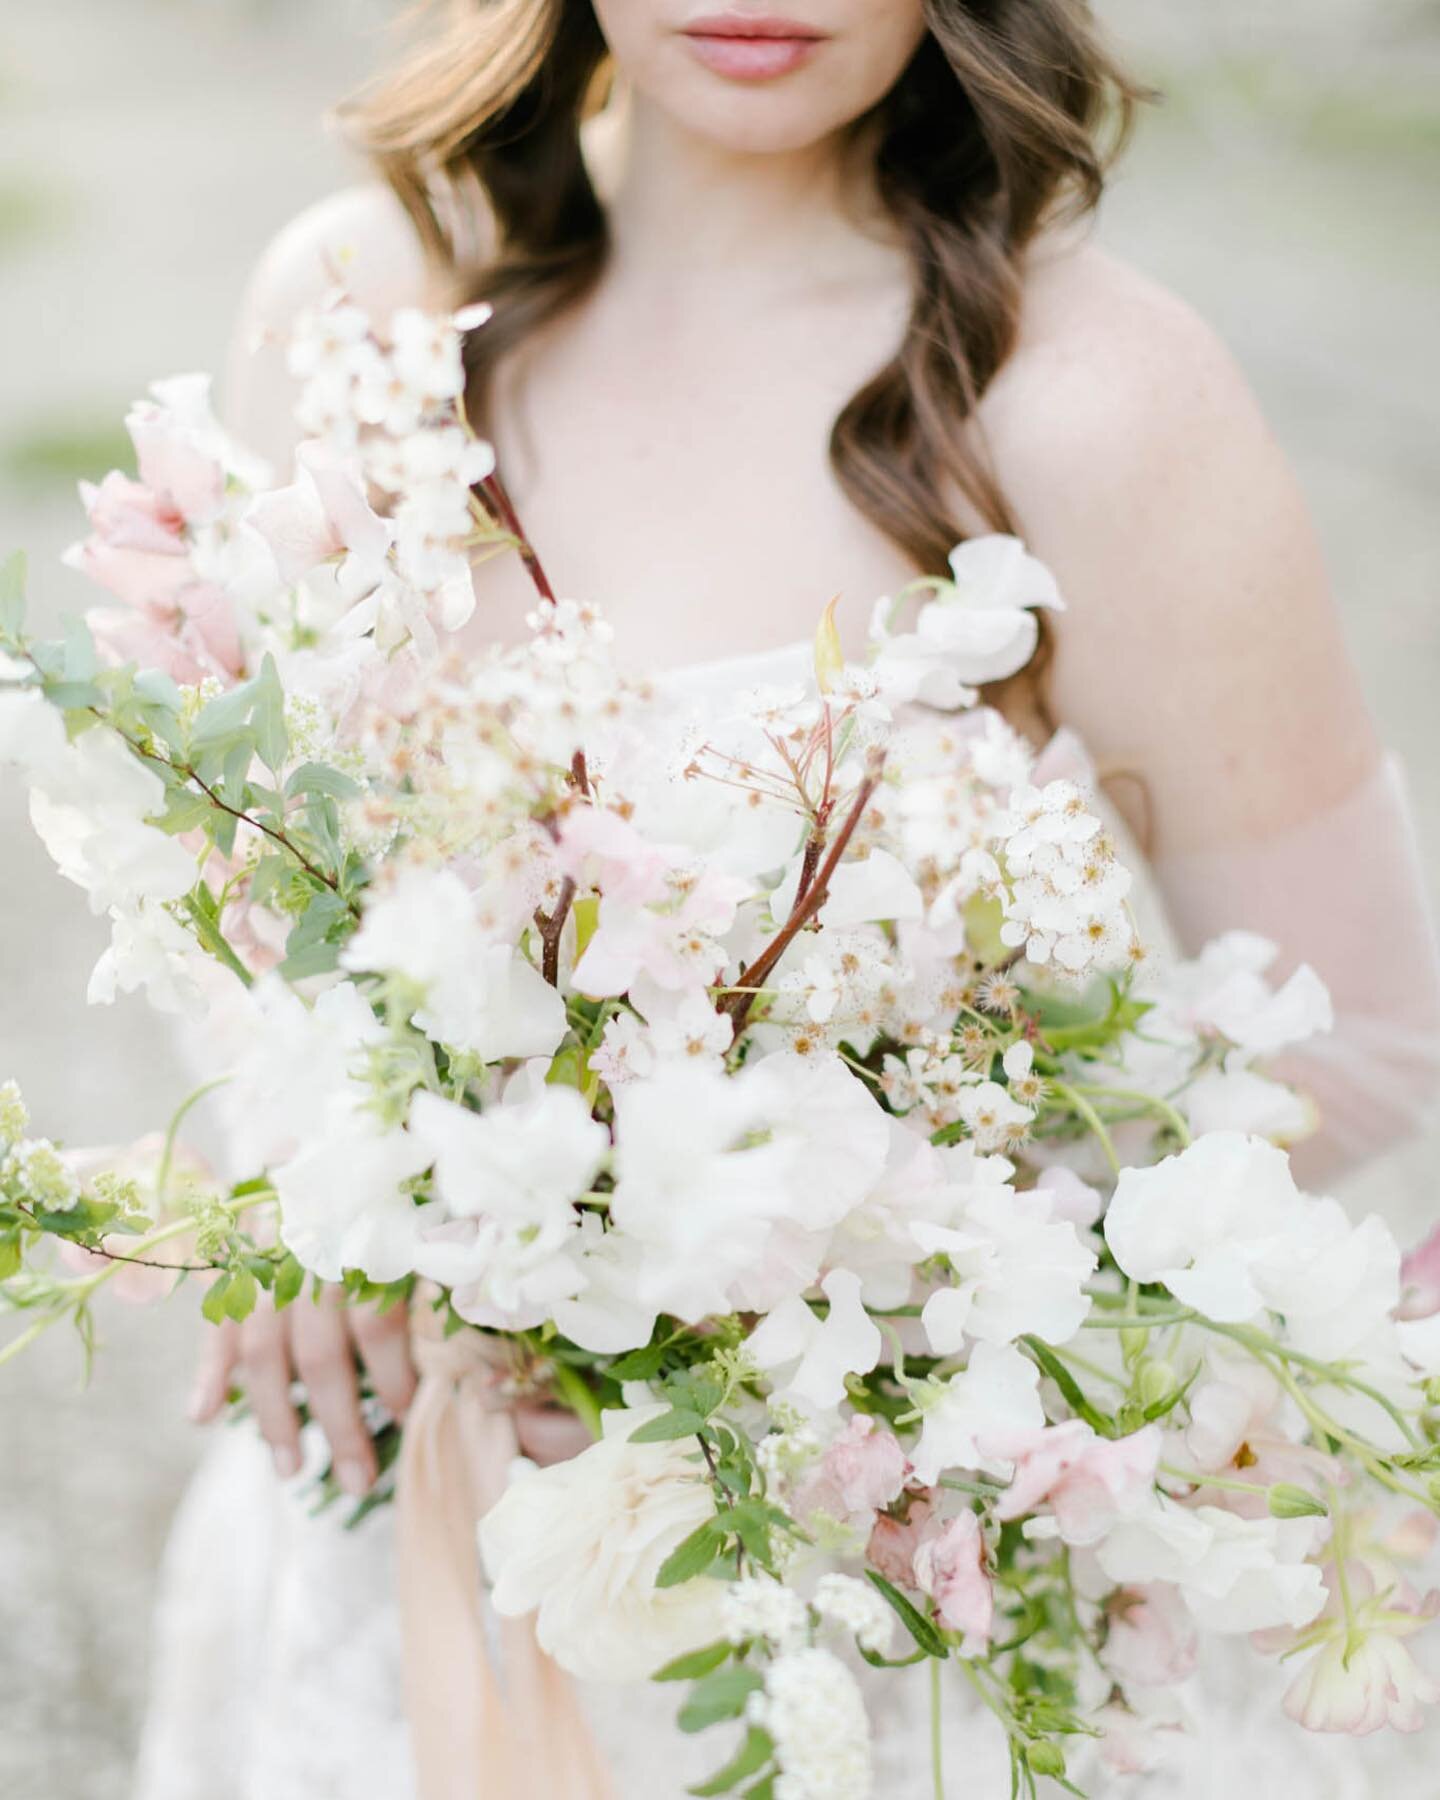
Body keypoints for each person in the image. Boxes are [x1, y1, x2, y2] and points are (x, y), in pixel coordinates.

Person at [142, 3, 1440, 1795]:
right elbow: (254, 880)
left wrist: (848, 1299)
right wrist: (292, 1180)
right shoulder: (357, 304)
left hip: (851, 1606)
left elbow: (1365, 1028)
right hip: (391, 1539)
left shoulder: (1089, 397)